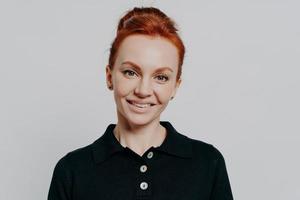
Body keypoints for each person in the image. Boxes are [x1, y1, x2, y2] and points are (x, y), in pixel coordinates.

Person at [48, 7, 234, 200]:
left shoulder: (208, 163)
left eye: (161, 77)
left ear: (175, 86)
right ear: (109, 76)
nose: (143, 91)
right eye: (131, 72)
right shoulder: (72, 170)